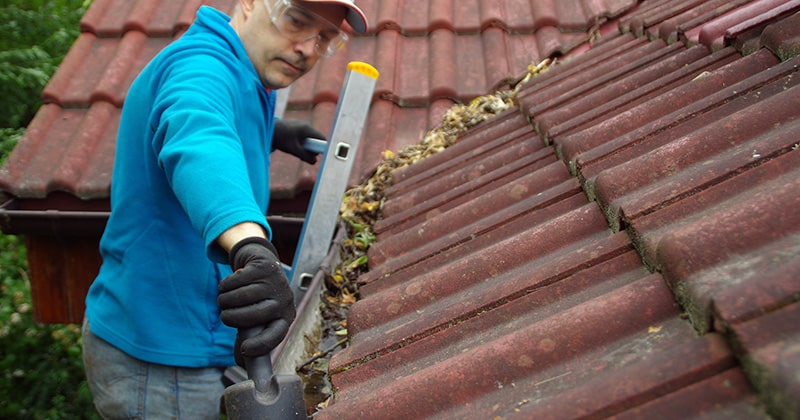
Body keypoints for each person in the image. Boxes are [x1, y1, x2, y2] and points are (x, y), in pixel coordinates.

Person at [80, 0, 368, 418]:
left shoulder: (244, 73)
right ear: (250, 5)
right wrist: (250, 247)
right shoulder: (201, 67)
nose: (308, 48)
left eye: (325, 38)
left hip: (182, 336)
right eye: (297, 22)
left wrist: (272, 131)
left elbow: (219, 122)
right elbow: (200, 139)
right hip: (163, 361)